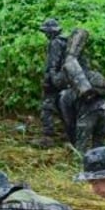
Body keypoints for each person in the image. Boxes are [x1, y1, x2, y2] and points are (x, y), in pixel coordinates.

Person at [38, 18, 67, 146]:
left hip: (55, 81)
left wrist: (48, 81)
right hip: (65, 79)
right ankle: (68, 132)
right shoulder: (65, 42)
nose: (45, 35)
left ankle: (47, 136)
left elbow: (52, 65)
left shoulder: (55, 43)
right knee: (63, 107)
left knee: (47, 108)